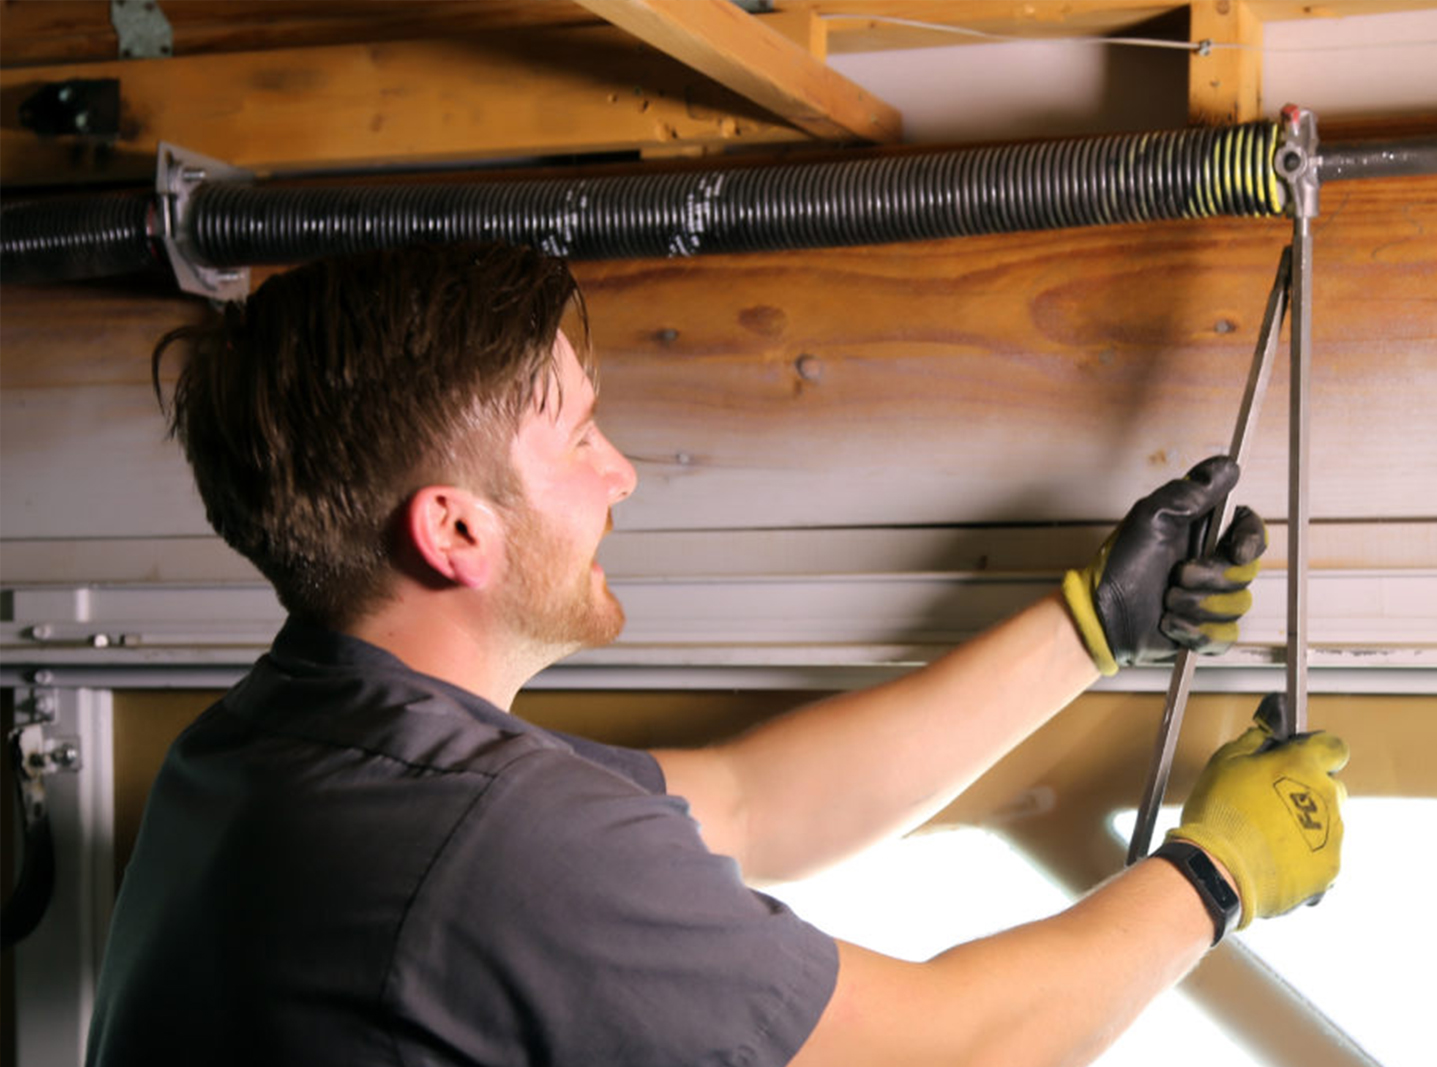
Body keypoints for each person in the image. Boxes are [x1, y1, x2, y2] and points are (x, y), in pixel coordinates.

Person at [87, 243, 1349, 1067]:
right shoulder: (481, 840)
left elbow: (749, 801)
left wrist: (1094, 626)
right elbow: (955, 1046)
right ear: (455, 528)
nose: (621, 471)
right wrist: (1218, 871)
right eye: (579, 438)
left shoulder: (271, 743)